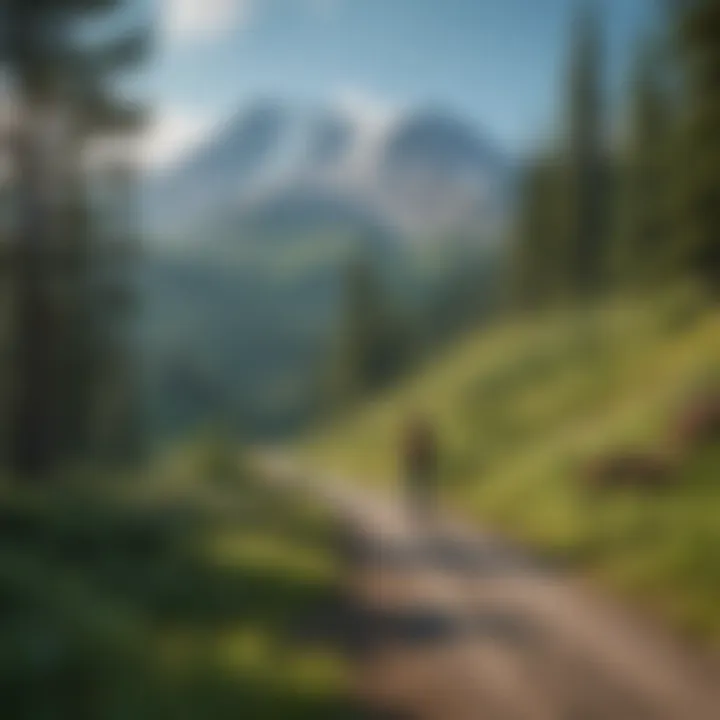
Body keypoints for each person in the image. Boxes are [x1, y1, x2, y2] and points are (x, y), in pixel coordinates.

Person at [401, 412, 439, 521]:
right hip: (418, 468)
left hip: (419, 468)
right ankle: (417, 509)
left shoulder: (415, 440)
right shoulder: (419, 440)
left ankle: (418, 509)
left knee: (419, 489)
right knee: (419, 489)